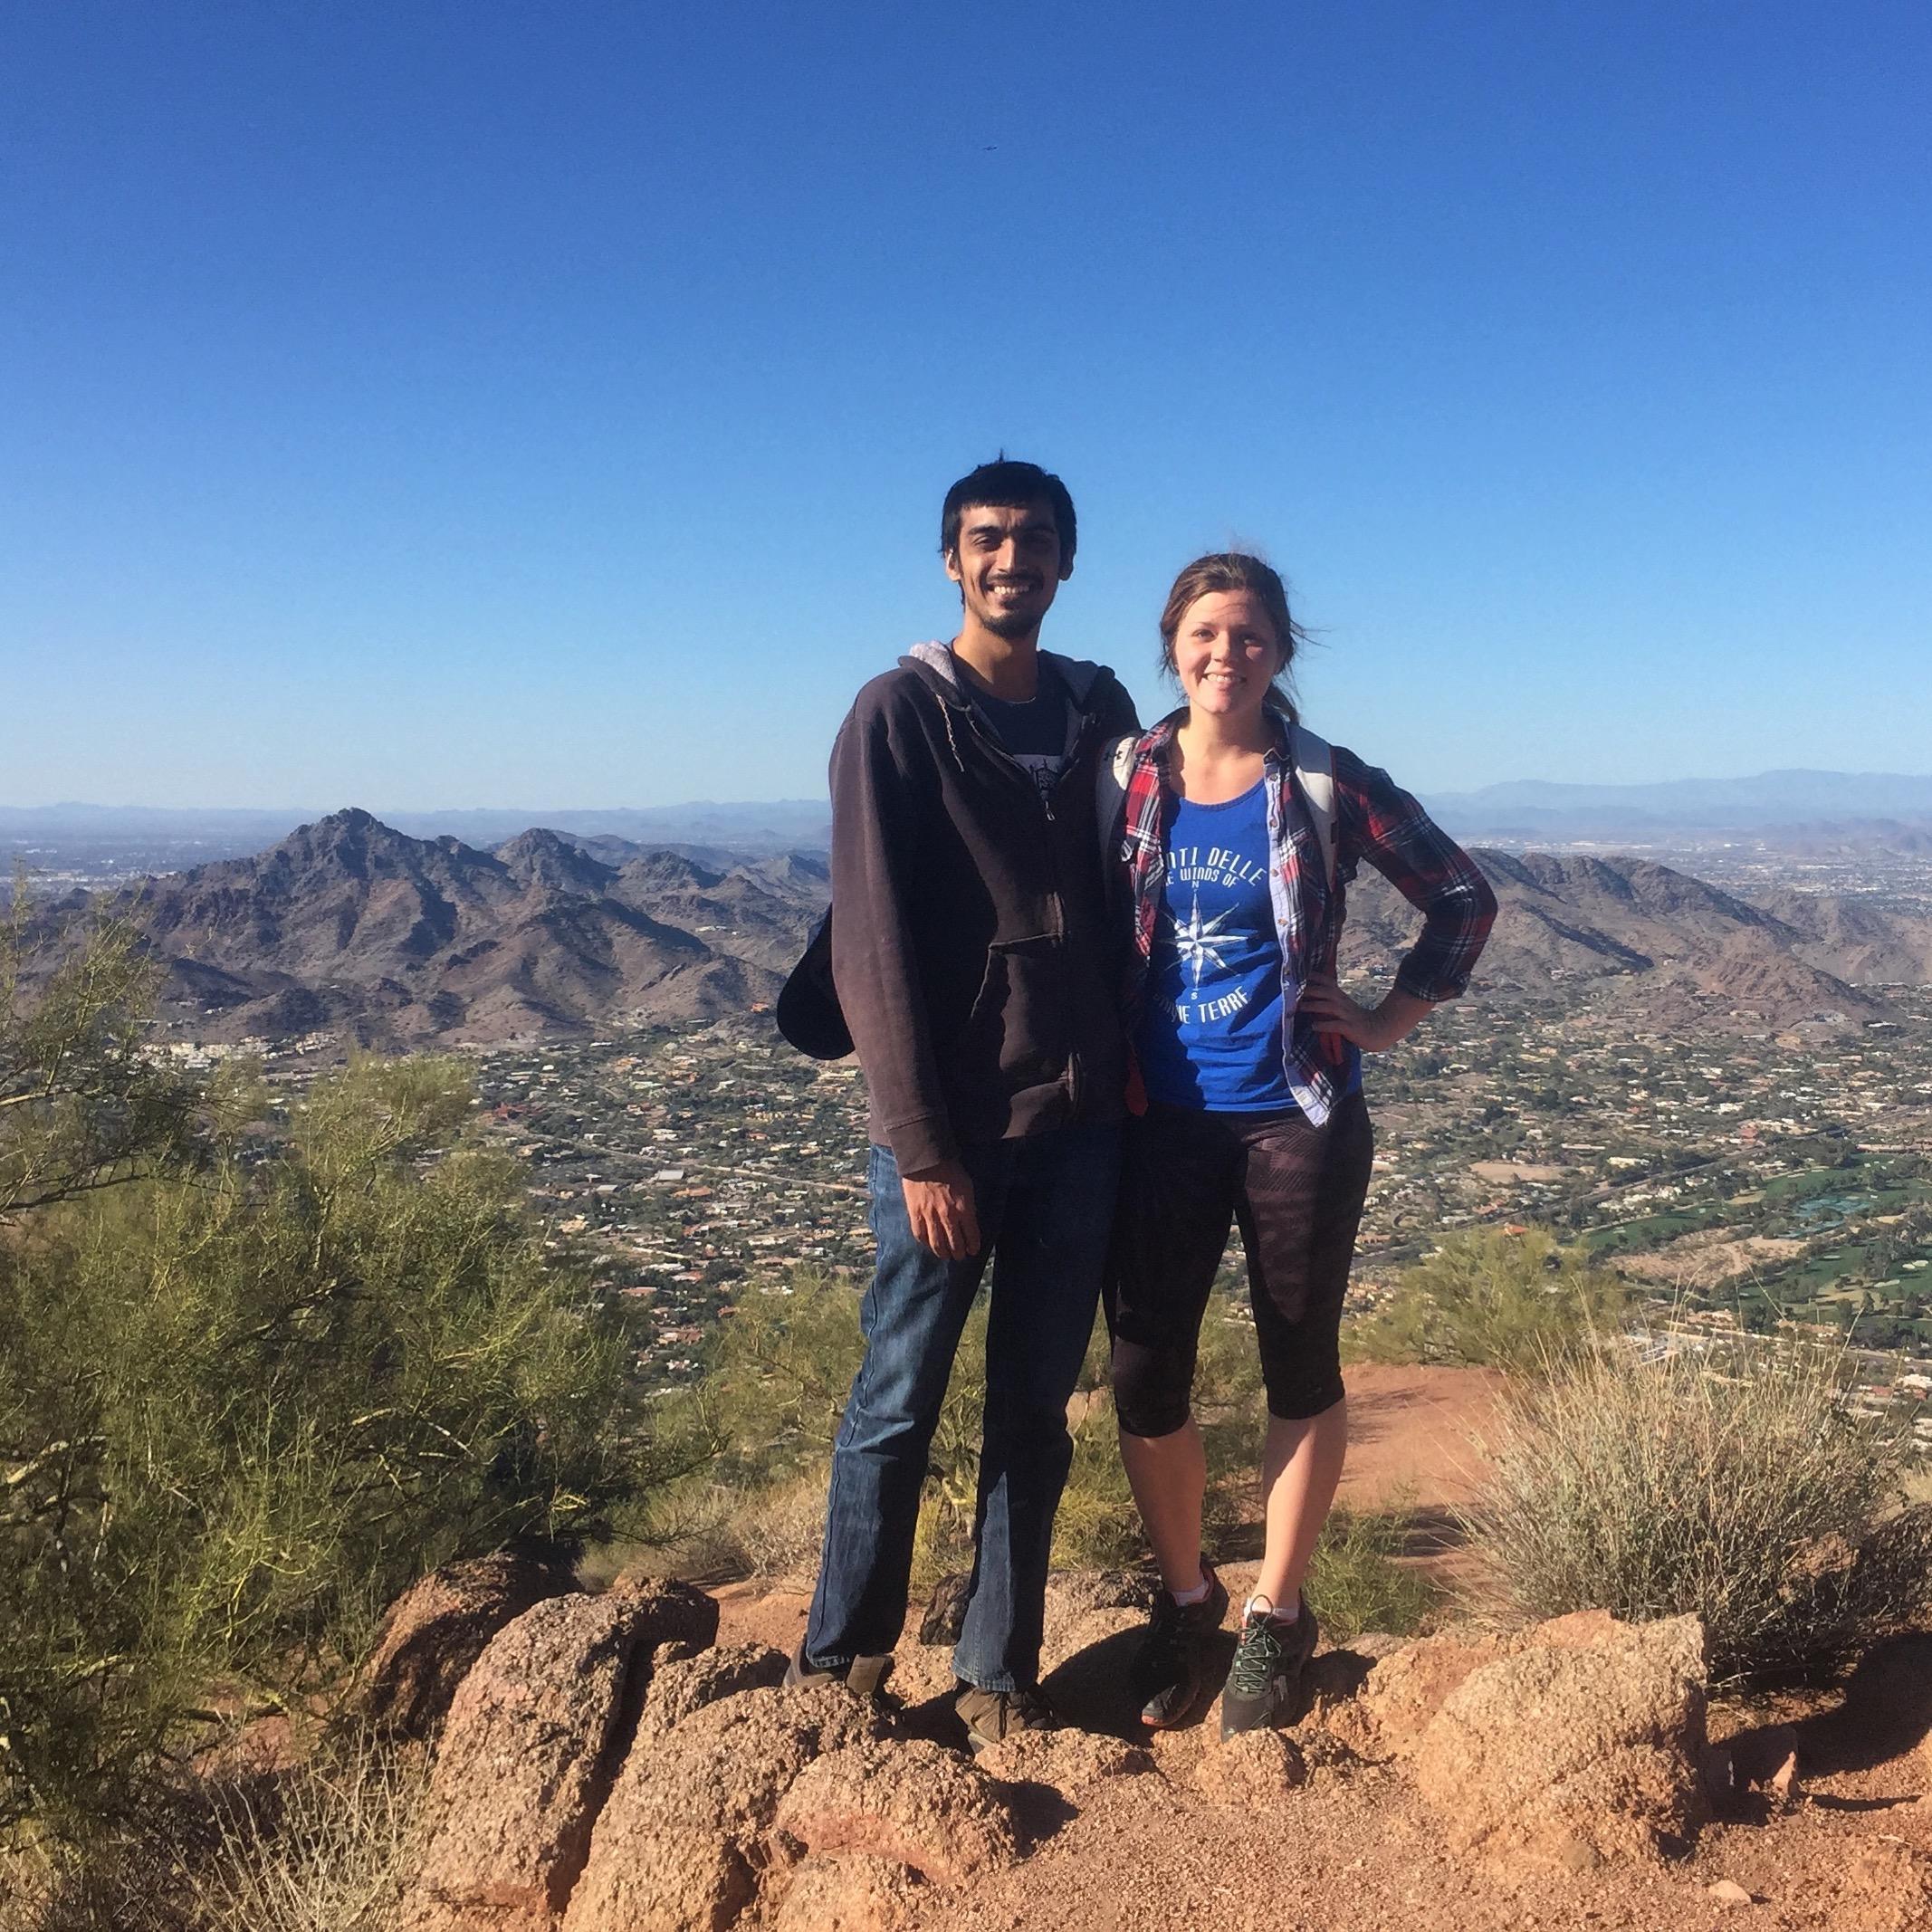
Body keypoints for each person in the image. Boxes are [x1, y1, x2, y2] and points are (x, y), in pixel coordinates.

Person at [1103, 551, 1496, 1737]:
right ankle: (1188, 1597)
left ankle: (1275, 1611)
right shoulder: (1126, 775)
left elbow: (1460, 896)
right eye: (1204, 632)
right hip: (1156, 1116)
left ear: (1279, 650)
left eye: (1249, 634)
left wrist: (1384, 1017)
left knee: (1297, 1358)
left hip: (1296, 1114)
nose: (1225, 652)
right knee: (1141, 1370)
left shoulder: (1325, 782)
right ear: (1171, 643)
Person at [780, 459, 1140, 1750]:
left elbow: (1134, 901)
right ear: (951, 561)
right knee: (895, 1403)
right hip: (949, 1141)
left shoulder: (1101, 711)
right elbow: (869, 946)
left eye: (1034, 540)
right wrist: (922, 1148)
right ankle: (843, 1661)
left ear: (1064, 561)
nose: (1011, 559)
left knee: (1030, 1414)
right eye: (986, 540)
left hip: (1078, 1127)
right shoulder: (896, 715)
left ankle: (997, 1668)